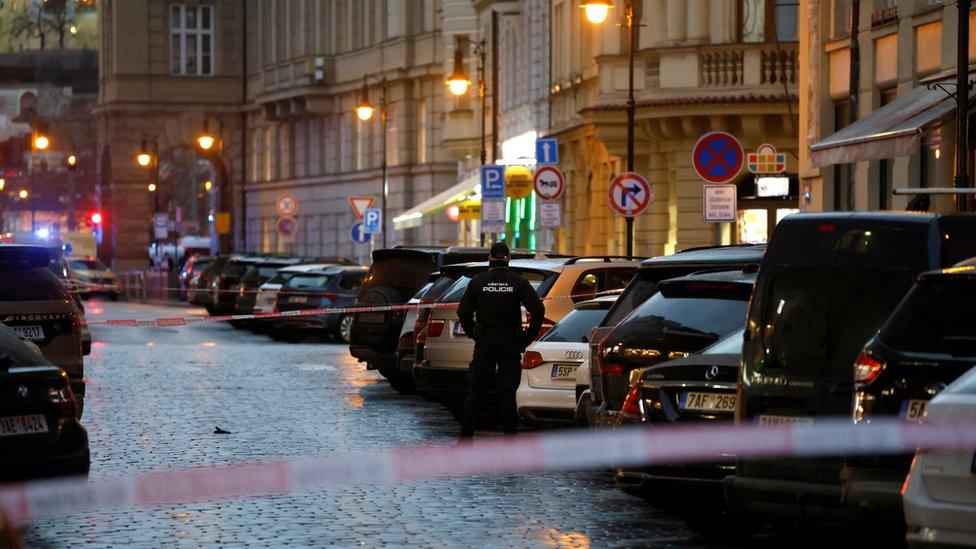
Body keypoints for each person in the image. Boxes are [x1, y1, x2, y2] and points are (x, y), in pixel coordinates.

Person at [456, 242, 545, 440]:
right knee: (508, 391)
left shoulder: (478, 281)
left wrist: (473, 333)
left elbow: (463, 312)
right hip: (510, 341)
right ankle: (510, 436)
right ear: (508, 258)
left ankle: (466, 435)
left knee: (477, 389)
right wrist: (527, 337)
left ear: (489, 258)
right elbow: (538, 310)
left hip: (485, 340)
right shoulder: (518, 282)